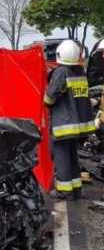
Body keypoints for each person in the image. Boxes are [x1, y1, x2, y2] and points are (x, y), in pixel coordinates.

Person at [44, 39, 96, 200]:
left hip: (63, 125)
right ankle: (75, 189)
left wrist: (47, 99)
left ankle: (64, 191)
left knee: (61, 157)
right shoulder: (80, 72)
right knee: (72, 156)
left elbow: (49, 98)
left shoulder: (61, 72)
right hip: (77, 126)